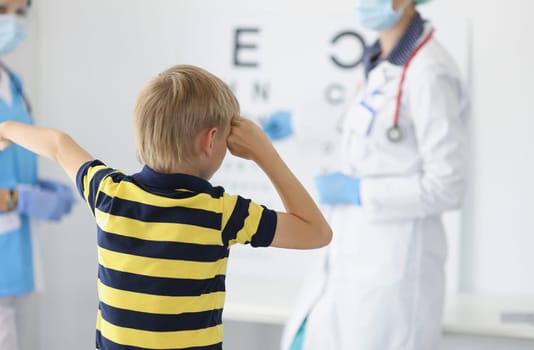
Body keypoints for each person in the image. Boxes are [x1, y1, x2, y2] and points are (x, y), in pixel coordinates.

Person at [0, 64, 332, 349]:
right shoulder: (221, 213)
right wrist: (265, 153)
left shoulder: (110, 194)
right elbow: (316, 232)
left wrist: (6, 130)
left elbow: (58, 145)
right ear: (210, 140)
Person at [281, 0, 468, 349]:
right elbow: (359, 121)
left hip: (394, 270)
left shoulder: (430, 72)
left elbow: (448, 185)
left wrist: (359, 192)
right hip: (352, 254)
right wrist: (296, 122)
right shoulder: (381, 61)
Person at [0, 1, 74, 349]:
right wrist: (18, 199)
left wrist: (38, 187)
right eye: (2, 10)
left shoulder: (12, 82)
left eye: (19, 11)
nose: (12, 22)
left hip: (19, 253)